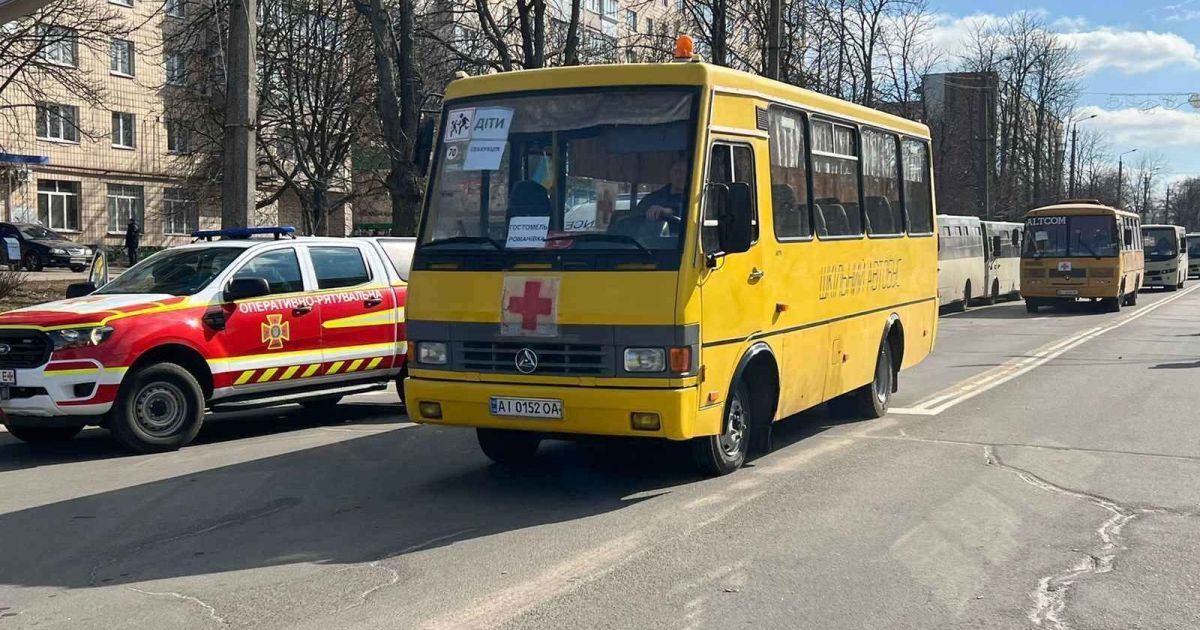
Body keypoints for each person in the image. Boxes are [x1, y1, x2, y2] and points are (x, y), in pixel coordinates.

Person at [636, 157, 688, 221]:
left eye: (685, 173)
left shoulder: (693, 200)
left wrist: (668, 211)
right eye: (677, 171)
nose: (680, 176)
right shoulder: (652, 198)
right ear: (669, 173)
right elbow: (636, 216)